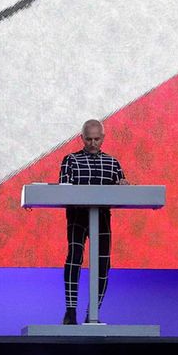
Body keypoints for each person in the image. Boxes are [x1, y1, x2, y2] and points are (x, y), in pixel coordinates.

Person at [57, 120, 127, 324]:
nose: (93, 143)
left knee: (103, 263)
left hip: (102, 216)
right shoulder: (70, 160)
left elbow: (123, 187)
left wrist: (123, 185)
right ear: (82, 138)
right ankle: (70, 311)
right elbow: (63, 188)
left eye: (97, 139)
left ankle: (93, 313)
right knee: (74, 257)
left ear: (103, 138)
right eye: (89, 139)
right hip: (78, 215)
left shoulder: (113, 163)